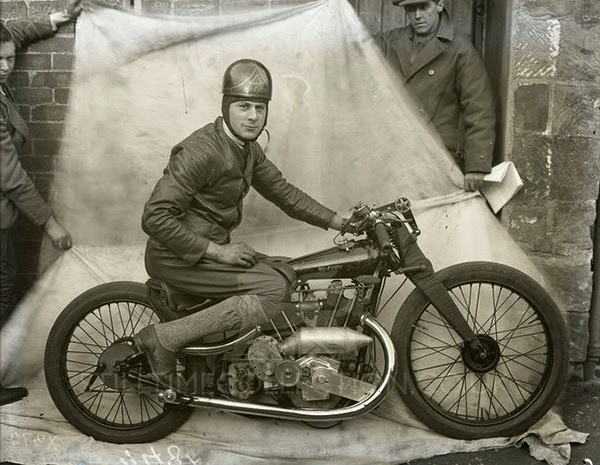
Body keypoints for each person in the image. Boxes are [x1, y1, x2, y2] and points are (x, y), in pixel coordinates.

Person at [133, 58, 349, 391]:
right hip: (176, 257)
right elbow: (155, 216)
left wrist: (340, 222)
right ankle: (164, 338)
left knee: (289, 269)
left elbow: (283, 192)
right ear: (226, 106)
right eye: (243, 106)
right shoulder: (201, 151)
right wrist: (218, 252)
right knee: (273, 289)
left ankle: (251, 364)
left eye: (260, 108)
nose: (252, 116)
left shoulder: (248, 150)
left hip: (207, 253)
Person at [0, 2, 81, 406]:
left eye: (8, 59)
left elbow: (13, 32)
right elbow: (10, 175)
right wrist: (50, 223)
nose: (4, 67)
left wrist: (57, 19)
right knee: (2, 289)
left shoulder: (5, 44)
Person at [376, 0, 496, 192]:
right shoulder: (391, 40)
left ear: (439, 5)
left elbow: (479, 108)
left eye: (424, 7)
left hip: (439, 157)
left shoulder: (459, 48)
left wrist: (476, 165)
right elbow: (353, 47)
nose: (417, 16)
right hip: (396, 153)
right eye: (411, 9)